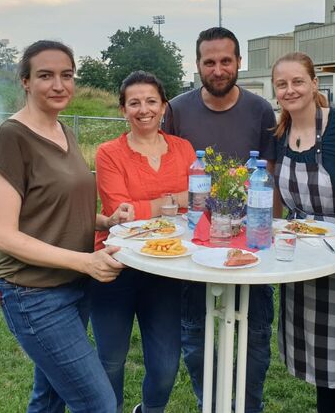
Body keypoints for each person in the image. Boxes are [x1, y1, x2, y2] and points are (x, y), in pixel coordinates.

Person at [0, 40, 134, 413]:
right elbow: (2, 235)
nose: (58, 84)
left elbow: (56, 207)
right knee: (99, 403)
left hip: (73, 287)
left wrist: (106, 221)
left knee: (49, 398)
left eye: (66, 75)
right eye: (45, 75)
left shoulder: (64, 131)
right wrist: (85, 262)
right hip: (33, 294)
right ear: (26, 82)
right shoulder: (10, 138)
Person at [163, 27, 277, 413]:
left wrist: (266, 234)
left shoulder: (260, 110)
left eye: (225, 60)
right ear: (197, 65)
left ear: (239, 63)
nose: (217, 69)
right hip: (194, 242)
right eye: (209, 62)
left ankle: (249, 407)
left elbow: (269, 179)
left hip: (251, 243)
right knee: (194, 333)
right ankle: (209, 404)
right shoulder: (176, 109)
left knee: (257, 333)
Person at [90, 71, 196, 413]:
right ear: (123, 110)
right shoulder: (108, 153)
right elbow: (119, 212)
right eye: (134, 102)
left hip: (166, 267)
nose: (143, 109)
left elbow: (197, 203)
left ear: (164, 106)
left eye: (151, 101)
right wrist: (178, 198)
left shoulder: (183, 150)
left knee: (165, 367)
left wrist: (148, 207)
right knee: (110, 361)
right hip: (115, 265)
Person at [270, 52, 335, 413]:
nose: (290, 89)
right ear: (275, 90)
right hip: (302, 260)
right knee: (322, 367)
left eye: (298, 81)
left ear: (314, 84)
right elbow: (277, 195)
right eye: (282, 84)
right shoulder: (279, 133)